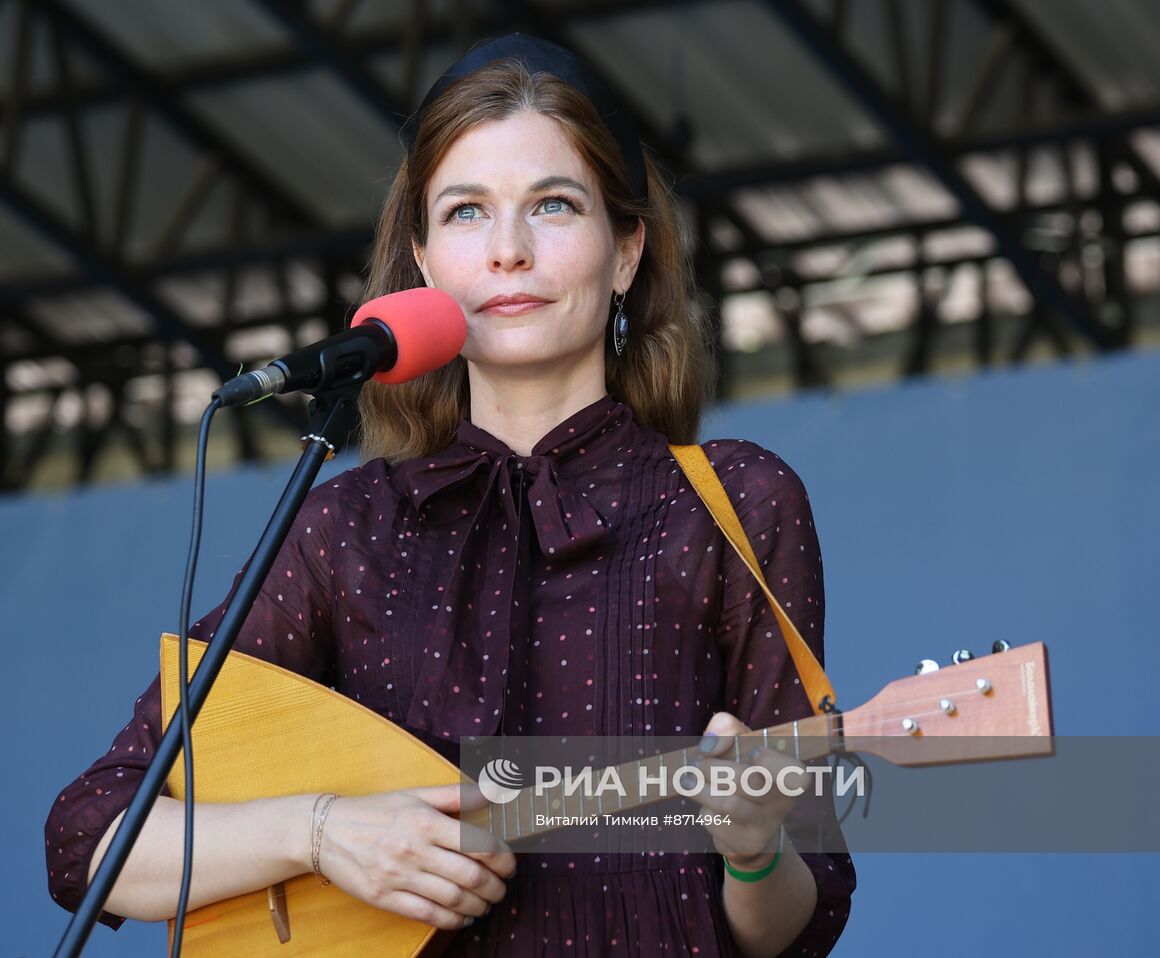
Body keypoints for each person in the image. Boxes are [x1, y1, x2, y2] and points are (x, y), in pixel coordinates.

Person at [46, 34, 854, 957]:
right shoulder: (342, 530)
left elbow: (803, 919)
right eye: (468, 213)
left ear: (625, 250)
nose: (509, 252)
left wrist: (753, 854)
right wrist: (321, 833)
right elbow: (91, 834)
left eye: (554, 205)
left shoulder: (738, 505)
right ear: (424, 261)